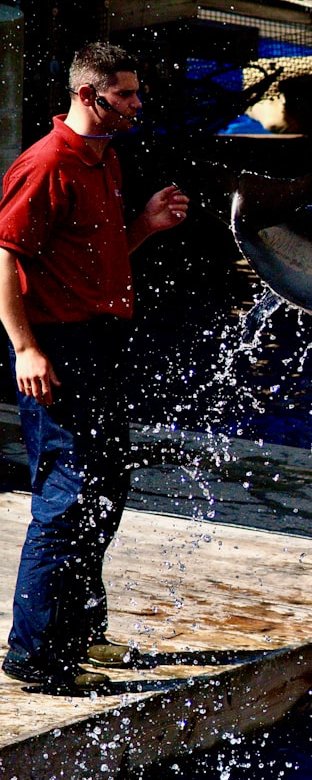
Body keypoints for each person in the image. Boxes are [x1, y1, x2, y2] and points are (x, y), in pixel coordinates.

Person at [0, 42, 188, 692]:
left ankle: (78, 633)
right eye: (126, 94)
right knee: (66, 493)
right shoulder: (48, 163)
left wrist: (145, 225)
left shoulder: (103, 159)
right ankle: (34, 654)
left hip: (100, 342)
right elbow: (4, 259)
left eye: (137, 92)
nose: (138, 104)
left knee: (107, 491)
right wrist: (25, 349)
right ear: (89, 96)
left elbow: (93, 257)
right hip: (58, 346)